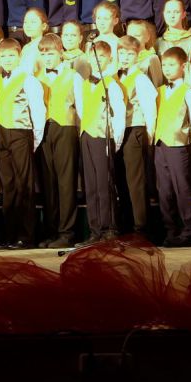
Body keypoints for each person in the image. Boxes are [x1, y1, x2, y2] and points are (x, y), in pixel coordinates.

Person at [0, 38, 46, 248]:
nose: (7, 60)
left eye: (11, 56)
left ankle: (27, 235)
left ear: (19, 56)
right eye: (3, 56)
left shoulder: (29, 80)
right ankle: (10, 234)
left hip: (21, 133)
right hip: (2, 134)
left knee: (24, 185)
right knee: (8, 185)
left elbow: (38, 112)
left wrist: (34, 140)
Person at [75, 40, 126, 247]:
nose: (97, 60)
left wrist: (114, 141)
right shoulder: (84, 83)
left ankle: (109, 228)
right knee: (92, 185)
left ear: (109, 59)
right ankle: (95, 229)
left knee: (105, 184)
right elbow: (81, 110)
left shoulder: (112, 85)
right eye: (95, 56)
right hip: (87, 135)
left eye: (102, 56)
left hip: (103, 138)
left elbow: (119, 116)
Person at [35, 33, 83, 248]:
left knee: (66, 181)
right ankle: (51, 230)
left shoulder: (73, 76)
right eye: (44, 54)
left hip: (66, 128)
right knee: (48, 182)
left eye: (51, 53)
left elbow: (81, 108)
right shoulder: (36, 77)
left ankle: (67, 231)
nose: (47, 58)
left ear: (60, 53)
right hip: (44, 130)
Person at [154, 47, 191, 247]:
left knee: (182, 187)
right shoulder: (160, 91)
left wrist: (185, 135)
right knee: (164, 190)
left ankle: (188, 231)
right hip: (160, 145)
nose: (167, 69)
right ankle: (170, 230)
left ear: (183, 67)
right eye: (164, 65)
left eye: (171, 65)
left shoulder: (188, 92)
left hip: (179, 145)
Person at [114, 35, 157, 237]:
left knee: (135, 181)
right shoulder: (116, 77)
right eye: (122, 53)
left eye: (129, 54)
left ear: (137, 55)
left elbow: (150, 109)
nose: (125, 57)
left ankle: (141, 226)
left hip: (135, 129)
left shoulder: (141, 79)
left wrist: (149, 134)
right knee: (121, 180)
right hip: (119, 132)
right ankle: (126, 224)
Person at [157, 0, 191, 88]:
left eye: (176, 12)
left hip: (188, 90)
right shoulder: (158, 43)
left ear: (183, 14)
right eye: (168, 12)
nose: (172, 16)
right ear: (163, 14)